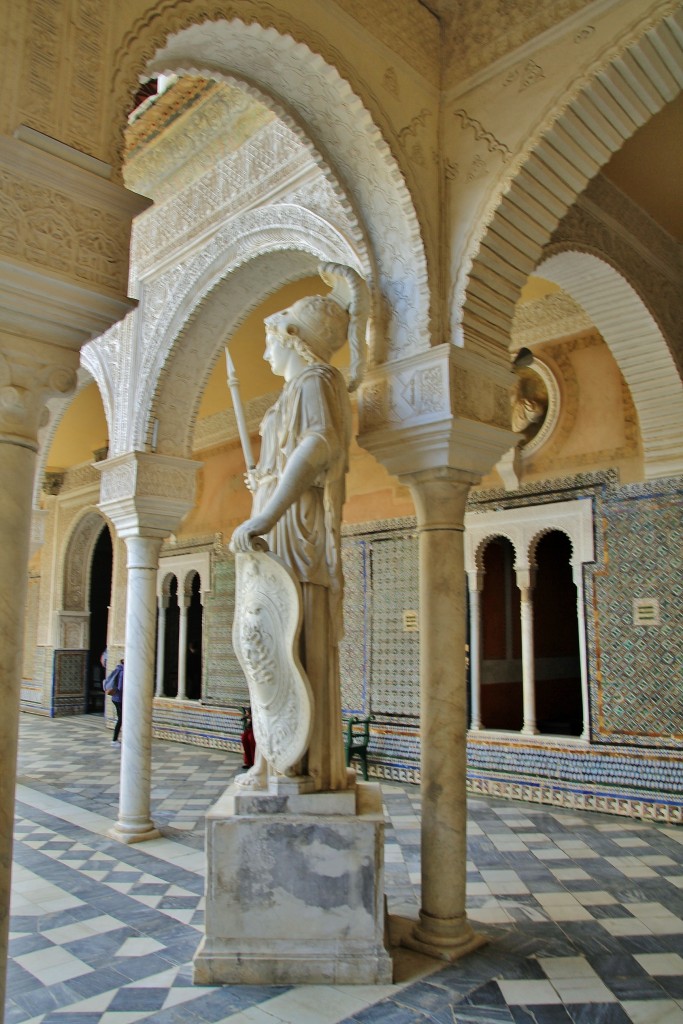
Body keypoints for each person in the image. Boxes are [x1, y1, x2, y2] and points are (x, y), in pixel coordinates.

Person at [231, 262, 368, 792]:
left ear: (293, 340)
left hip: (289, 528)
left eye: (270, 340)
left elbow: (317, 446)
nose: (265, 352)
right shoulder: (293, 391)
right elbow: (291, 454)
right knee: (266, 635)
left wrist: (266, 511)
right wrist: (261, 481)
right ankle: (273, 758)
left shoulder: (316, 379)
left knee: (289, 631)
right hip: (274, 520)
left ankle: (304, 765)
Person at [104, 659, 124, 747]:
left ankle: (117, 739)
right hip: (119, 699)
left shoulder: (118, 669)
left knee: (121, 719)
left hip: (115, 698)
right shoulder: (123, 672)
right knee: (121, 719)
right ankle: (114, 740)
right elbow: (120, 687)